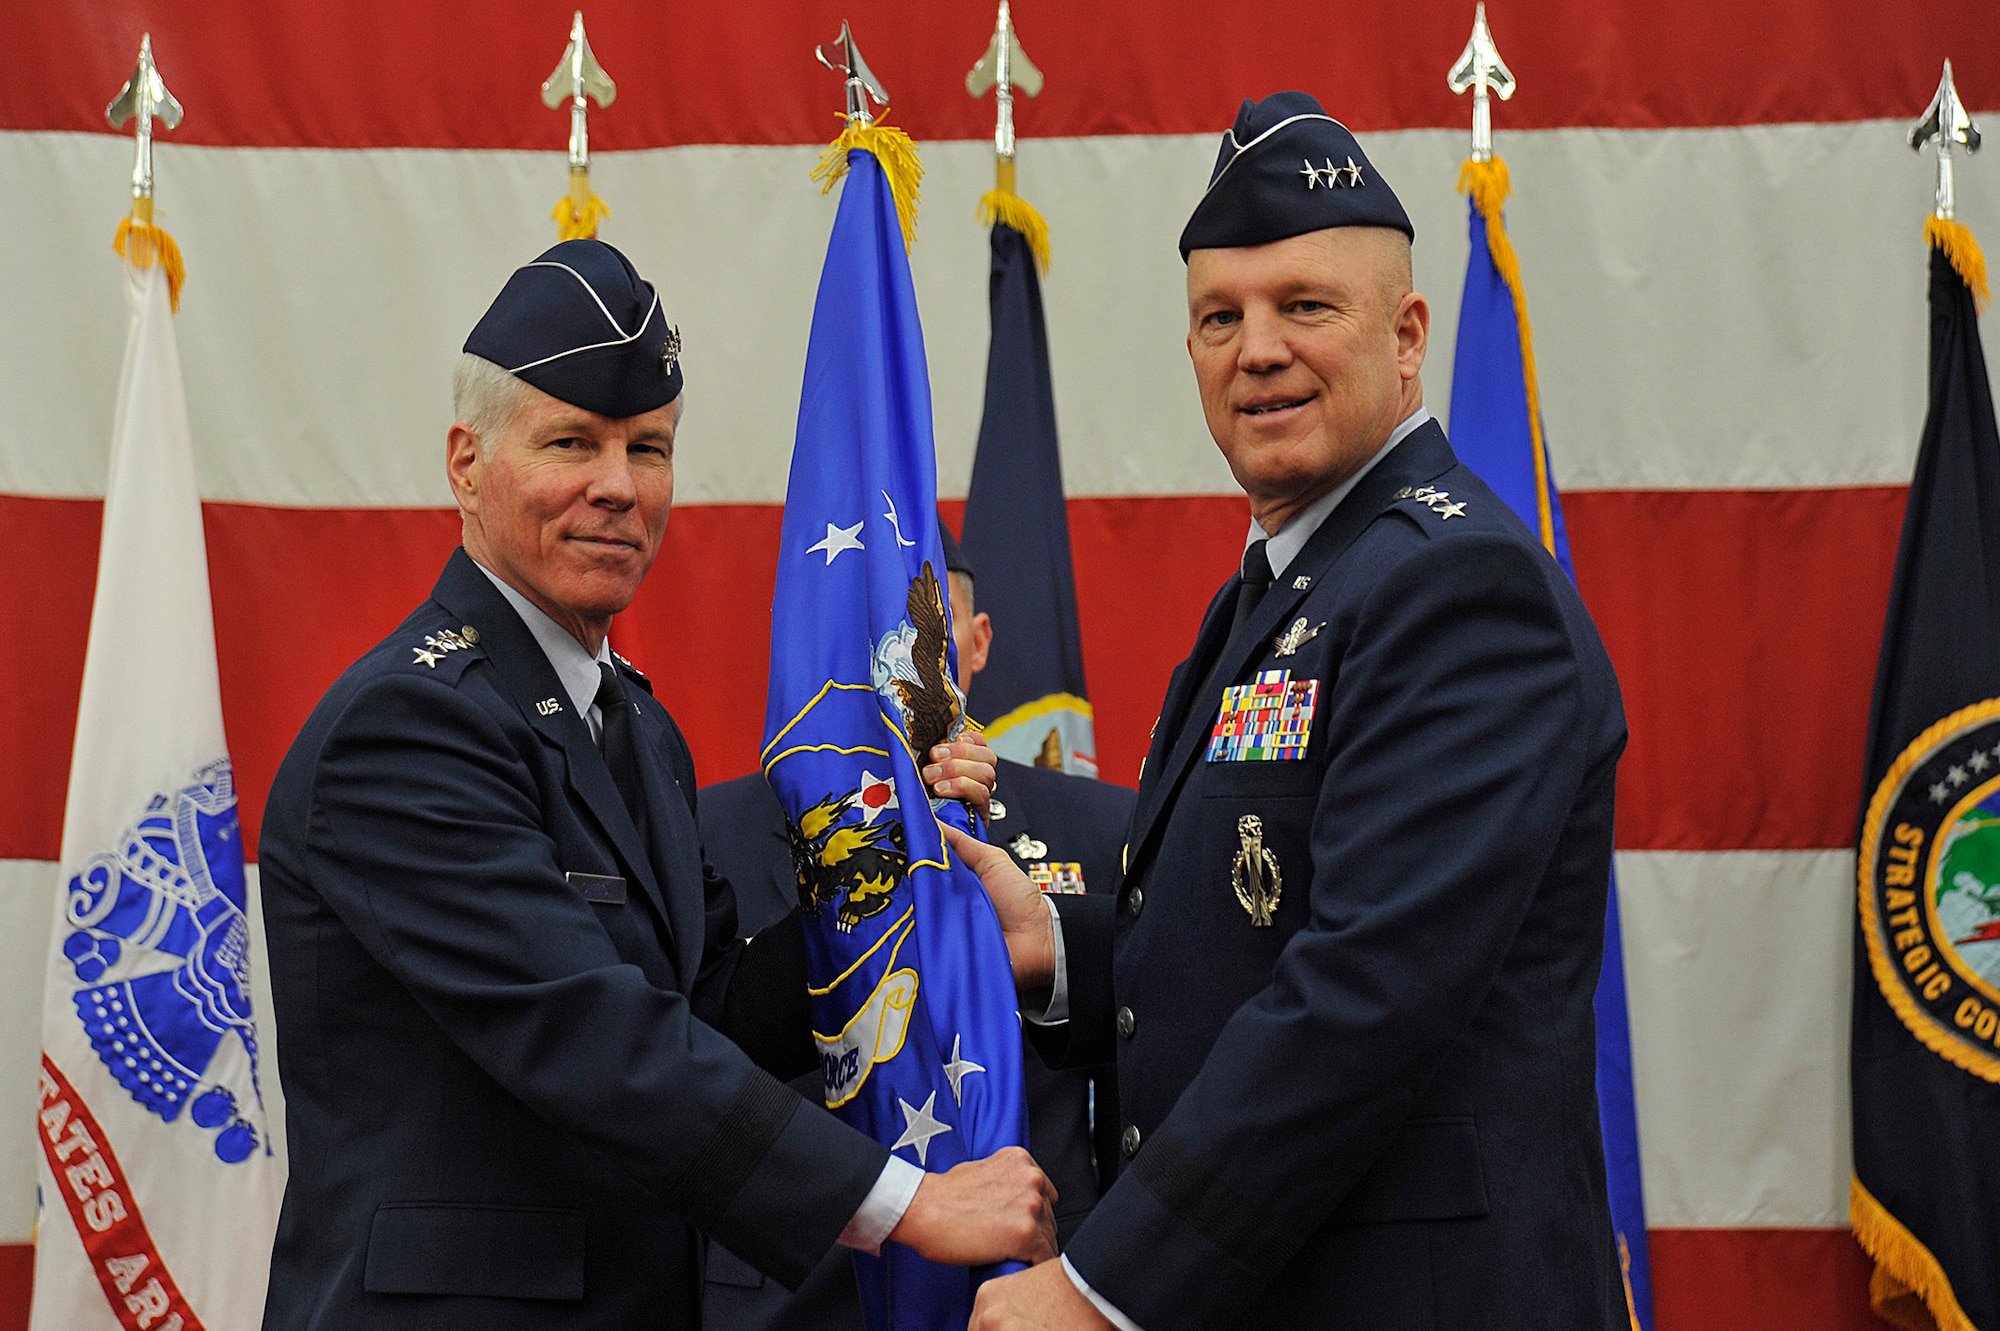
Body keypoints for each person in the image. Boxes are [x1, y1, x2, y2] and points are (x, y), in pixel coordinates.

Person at [257, 239, 1056, 1330]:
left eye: (648, 448)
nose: (617, 487)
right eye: (570, 443)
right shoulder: (406, 726)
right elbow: (592, 1032)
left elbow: (708, 1007)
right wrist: (905, 1200)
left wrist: (894, 874)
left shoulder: (633, 722)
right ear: (464, 462)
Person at [950, 93, 1631, 1330]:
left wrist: (1104, 1287)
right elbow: (1252, 924)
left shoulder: (1456, 589)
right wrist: (1060, 945)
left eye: (1303, 307)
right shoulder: (1287, 586)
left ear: (1408, 332)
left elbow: (1364, 994)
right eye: (1219, 317)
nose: (1254, 349)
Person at [702, 526, 1135, 1330]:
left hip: (1026, 1285)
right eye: (855, 633)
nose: (886, 661)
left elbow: (1135, 1073)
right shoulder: (707, 828)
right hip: (778, 1298)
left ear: (973, 644)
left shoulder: (1101, 824)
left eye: (916, 638)